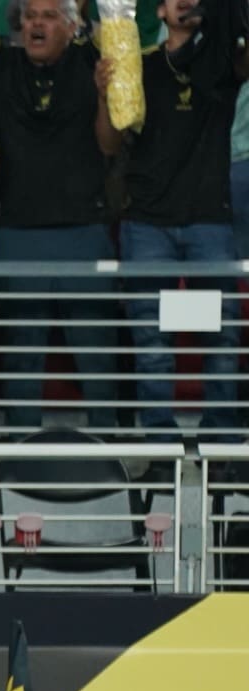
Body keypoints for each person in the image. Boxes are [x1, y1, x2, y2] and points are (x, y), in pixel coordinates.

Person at [0, 0, 117, 434]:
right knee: (20, 355)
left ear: (72, 25)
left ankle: (111, 446)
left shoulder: (93, 59)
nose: (36, 24)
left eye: (48, 16)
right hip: (19, 232)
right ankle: (19, 448)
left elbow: (111, 146)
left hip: (85, 230)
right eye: (30, 16)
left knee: (97, 353)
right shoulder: (0, 63)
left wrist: (104, 92)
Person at [119, 0, 247, 445]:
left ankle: (221, 440)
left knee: (220, 336)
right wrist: (105, 91)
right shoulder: (139, 66)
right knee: (152, 339)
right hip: (148, 225)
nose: (187, 2)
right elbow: (111, 138)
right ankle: (159, 440)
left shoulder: (220, 60)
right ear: (159, 10)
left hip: (208, 221)